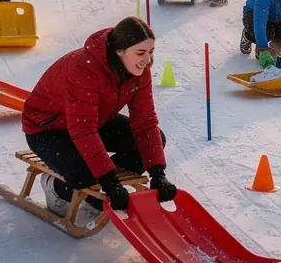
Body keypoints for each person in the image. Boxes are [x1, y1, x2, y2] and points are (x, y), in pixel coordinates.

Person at [21, 17, 177, 221]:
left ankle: (94, 192)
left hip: (93, 120)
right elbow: (83, 130)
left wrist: (158, 174)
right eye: (141, 53)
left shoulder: (139, 71)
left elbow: (145, 121)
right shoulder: (84, 69)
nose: (148, 60)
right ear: (120, 51)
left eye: (151, 52)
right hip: (47, 128)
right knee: (85, 172)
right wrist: (109, 182)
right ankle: (57, 186)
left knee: (152, 139)